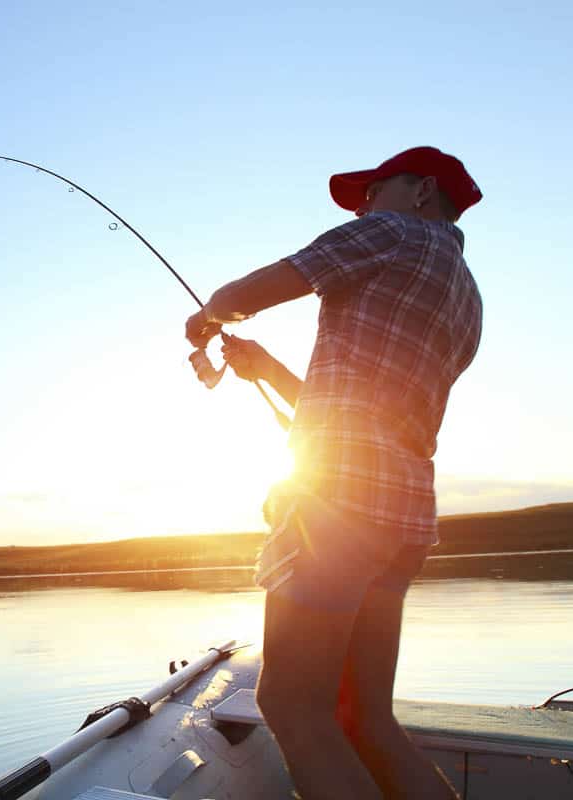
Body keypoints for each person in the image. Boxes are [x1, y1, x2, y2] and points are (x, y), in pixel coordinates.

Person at [185, 146, 483, 800]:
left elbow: (245, 296)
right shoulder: (467, 297)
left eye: (373, 190)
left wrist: (209, 315)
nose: (362, 206)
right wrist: (264, 370)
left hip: (338, 512)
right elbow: (364, 412)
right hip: (401, 521)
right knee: (367, 719)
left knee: (294, 706)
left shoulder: (392, 231)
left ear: (422, 191)